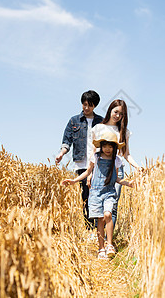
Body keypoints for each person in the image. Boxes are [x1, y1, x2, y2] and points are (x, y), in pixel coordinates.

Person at [62, 132, 134, 259]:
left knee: (108, 214)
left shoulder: (117, 160)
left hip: (109, 192)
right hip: (95, 192)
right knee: (99, 220)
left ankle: (109, 244)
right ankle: (101, 248)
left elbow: (116, 178)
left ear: (114, 147)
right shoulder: (95, 157)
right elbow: (88, 172)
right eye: (105, 146)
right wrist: (74, 181)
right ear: (101, 146)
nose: (107, 149)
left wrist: (128, 183)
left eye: (110, 146)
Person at [56, 90, 104, 229]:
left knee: (97, 193)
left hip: (97, 162)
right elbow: (67, 141)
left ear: (95, 106)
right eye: (84, 105)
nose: (86, 108)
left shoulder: (101, 121)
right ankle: (88, 227)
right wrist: (61, 153)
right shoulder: (74, 121)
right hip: (81, 162)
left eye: (90, 105)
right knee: (85, 194)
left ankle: (98, 227)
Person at [91, 99, 142, 228]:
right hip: (99, 170)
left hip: (116, 169)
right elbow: (92, 153)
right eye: (116, 112)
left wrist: (137, 166)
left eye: (121, 114)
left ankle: (109, 241)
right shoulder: (98, 128)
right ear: (110, 110)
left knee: (112, 205)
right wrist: (89, 174)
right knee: (99, 207)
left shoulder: (124, 132)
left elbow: (126, 154)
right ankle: (100, 240)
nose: (117, 116)